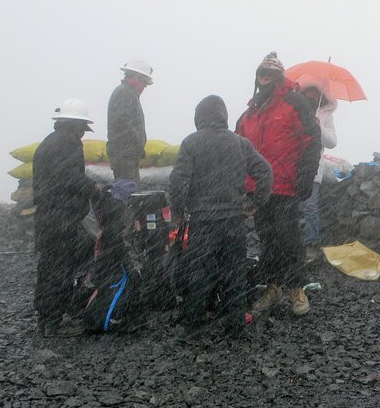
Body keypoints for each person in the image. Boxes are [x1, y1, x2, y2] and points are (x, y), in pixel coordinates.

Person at [170, 95, 272, 339]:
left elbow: (178, 182)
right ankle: (235, 326)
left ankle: (194, 326)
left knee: (199, 273)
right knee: (234, 274)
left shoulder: (191, 143)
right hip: (233, 221)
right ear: (223, 116)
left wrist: (178, 212)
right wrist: (255, 203)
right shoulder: (240, 143)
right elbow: (265, 171)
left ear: (199, 117)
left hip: (203, 221)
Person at [236, 52, 322, 316]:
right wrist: (242, 185)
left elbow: (312, 140)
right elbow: (239, 150)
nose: (265, 78)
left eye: (270, 74)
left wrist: (306, 177)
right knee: (267, 240)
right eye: (261, 73)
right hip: (259, 189)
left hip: (286, 186)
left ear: (279, 77)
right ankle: (273, 288)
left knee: (289, 239)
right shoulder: (250, 112)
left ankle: (297, 289)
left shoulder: (295, 103)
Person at [32, 99, 100, 337]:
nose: (83, 134)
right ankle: (53, 322)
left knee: (49, 267)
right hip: (61, 216)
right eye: (83, 129)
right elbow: (70, 176)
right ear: (76, 125)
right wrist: (93, 189)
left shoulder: (49, 142)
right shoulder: (68, 143)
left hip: (47, 215)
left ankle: (45, 319)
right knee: (60, 269)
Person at [299, 85, 338, 261]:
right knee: (289, 207)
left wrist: (318, 126)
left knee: (310, 207)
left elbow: (332, 142)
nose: (312, 97)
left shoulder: (326, 116)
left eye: (315, 94)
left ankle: (311, 244)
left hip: (313, 166)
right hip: (292, 165)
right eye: (309, 93)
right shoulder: (296, 110)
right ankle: (290, 243)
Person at [107, 59, 154, 186]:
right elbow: (123, 122)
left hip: (126, 154)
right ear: (137, 78)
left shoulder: (127, 93)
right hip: (124, 155)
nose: (144, 88)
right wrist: (137, 143)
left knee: (129, 190)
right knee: (129, 191)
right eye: (144, 84)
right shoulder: (125, 93)